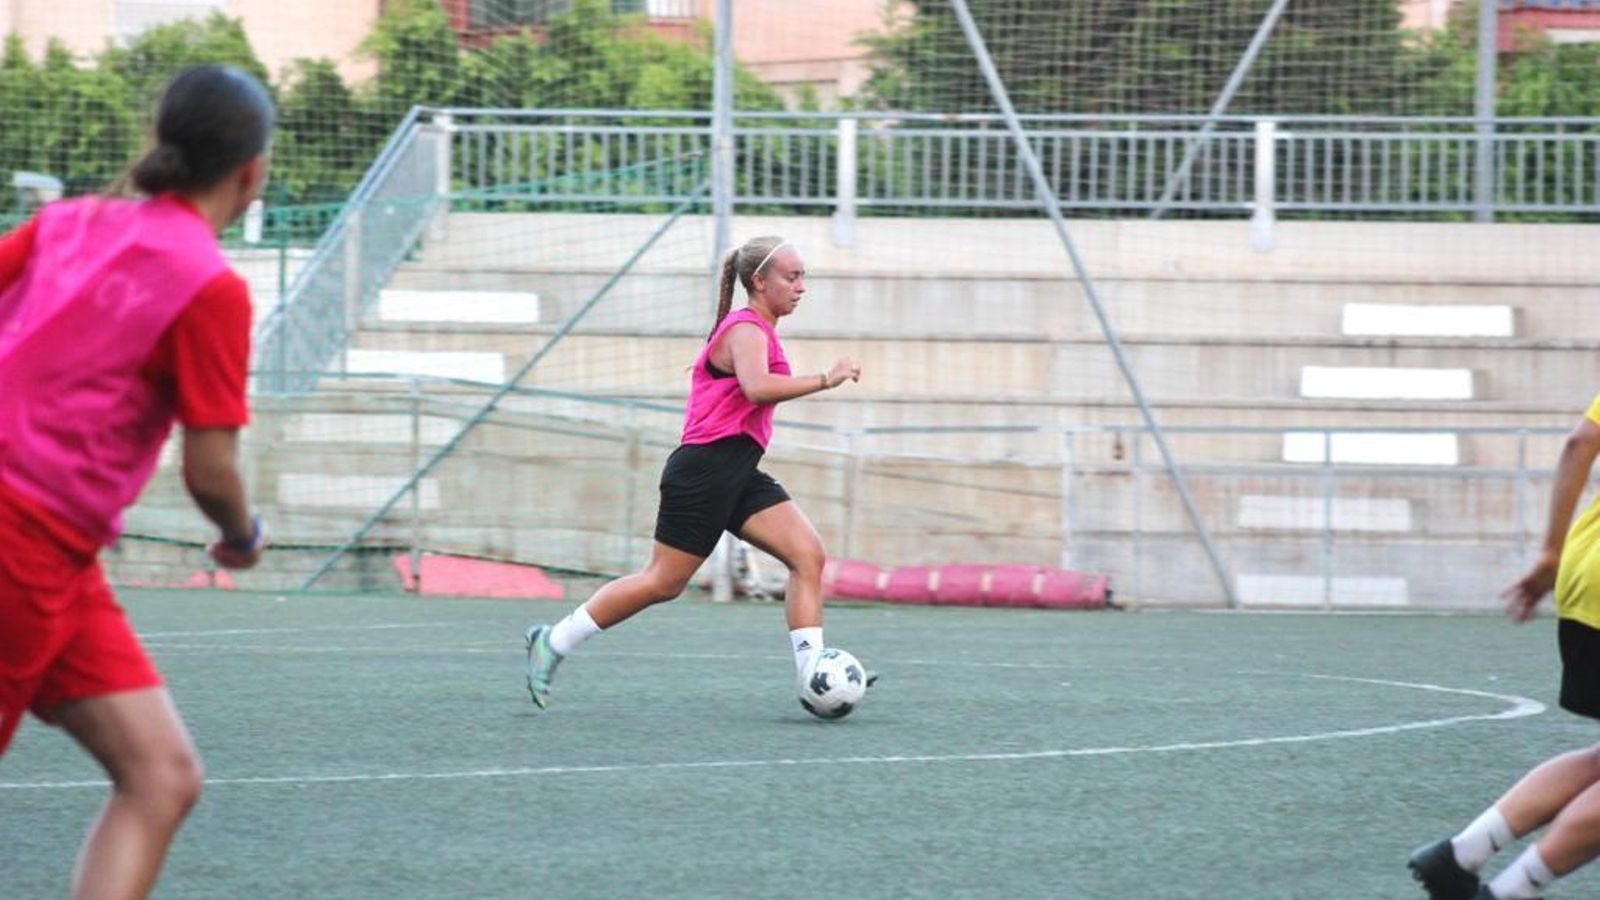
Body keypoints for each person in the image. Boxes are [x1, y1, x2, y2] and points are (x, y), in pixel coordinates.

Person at [0, 65, 271, 900]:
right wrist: (242, 536)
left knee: (161, 774)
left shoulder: (64, 222)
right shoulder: (212, 287)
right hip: (21, 542)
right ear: (252, 173)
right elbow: (211, 469)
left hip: (58, 556)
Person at [523, 235, 863, 709]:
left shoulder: (759, 329)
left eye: (803, 275)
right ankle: (553, 641)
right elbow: (758, 388)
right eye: (792, 276)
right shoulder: (745, 329)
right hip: (703, 470)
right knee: (663, 582)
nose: (801, 286)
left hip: (738, 469)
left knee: (808, 556)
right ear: (759, 281)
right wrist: (826, 378)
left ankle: (814, 674)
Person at [1410, 394, 1600, 899]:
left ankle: (1461, 855)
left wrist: (1551, 552)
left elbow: (1581, 441)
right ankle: (1510, 893)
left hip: (1587, 572)